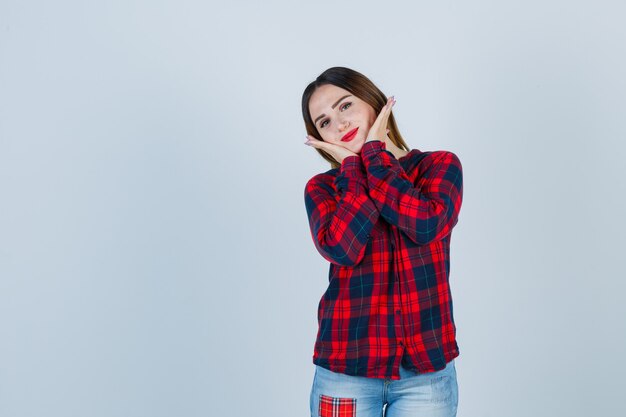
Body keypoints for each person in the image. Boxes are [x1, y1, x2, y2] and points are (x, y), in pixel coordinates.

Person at [301, 66, 464, 417]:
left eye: (345, 106)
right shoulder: (324, 188)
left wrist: (374, 156)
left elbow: (425, 224)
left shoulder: (438, 166)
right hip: (345, 372)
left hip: (426, 376)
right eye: (324, 122)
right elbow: (344, 249)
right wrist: (354, 174)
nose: (339, 124)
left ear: (376, 103)